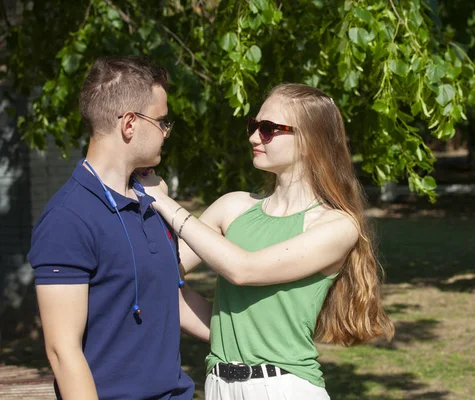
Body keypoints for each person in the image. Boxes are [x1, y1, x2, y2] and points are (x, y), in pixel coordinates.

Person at [138, 83, 395, 400]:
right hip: (219, 385)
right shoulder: (231, 207)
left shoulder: (337, 225)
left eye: (269, 128)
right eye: (253, 125)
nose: (253, 137)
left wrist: (164, 202)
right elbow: (159, 276)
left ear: (309, 141)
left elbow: (244, 270)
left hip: (283, 388)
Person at [28, 56, 211, 400]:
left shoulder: (152, 201)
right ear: (129, 123)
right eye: (162, 121)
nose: (166, 132)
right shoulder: (67, 220)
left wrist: (254, 334)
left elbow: (173, 300)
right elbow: (62, 352)